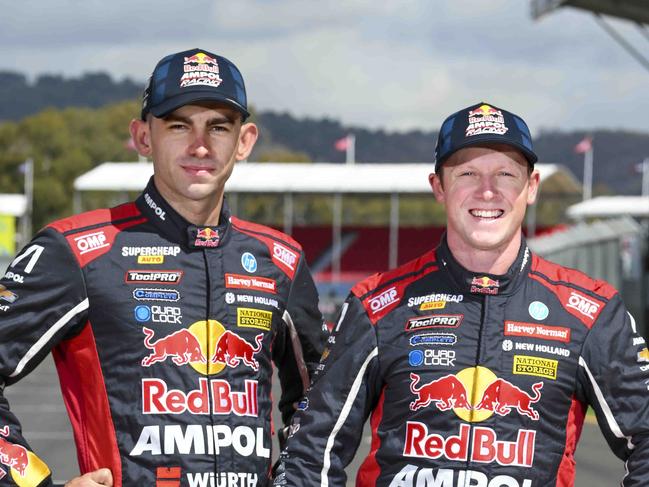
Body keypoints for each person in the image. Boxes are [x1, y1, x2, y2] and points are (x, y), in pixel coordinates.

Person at [273, 102, 649, 486]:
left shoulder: (588, 311)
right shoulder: (377, 306)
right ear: (439, 187)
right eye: (468, 173)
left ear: (531, 187)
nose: (488, 191)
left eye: (506, 173)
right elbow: (310, 448)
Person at [0, 48, 325, 487]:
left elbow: (321, 407)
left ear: (244, 141)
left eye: (218, 126)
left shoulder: (281, 261)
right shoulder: (77, 251)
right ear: (143, 137)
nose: (200, 144)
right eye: (178, 125)